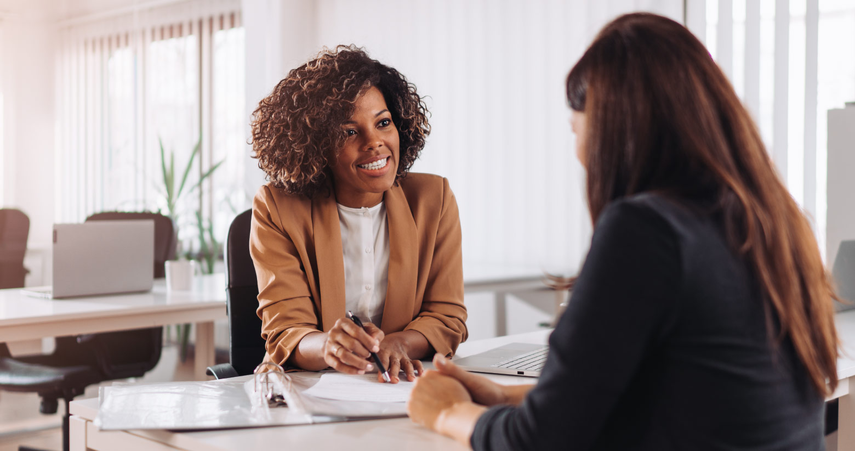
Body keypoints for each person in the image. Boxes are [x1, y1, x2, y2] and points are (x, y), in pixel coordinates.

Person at [407, 13, 838, 450]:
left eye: (576, 130)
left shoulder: (647, 230)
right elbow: (681, 391)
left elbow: (540, 443)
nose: (579, 154)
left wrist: (447, 411)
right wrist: (505, 397)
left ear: (611, 131)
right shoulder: (778, 222)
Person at [249, 45, 467, 383]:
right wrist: (328, 346)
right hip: (308, 390)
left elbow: (447, 316)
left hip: (400, 386)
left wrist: (399, 343)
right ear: (316, 145)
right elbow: (287, 331)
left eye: (383, 123)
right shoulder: (277, 207)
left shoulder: (433, 199)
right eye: (349, 132)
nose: (374, 142)